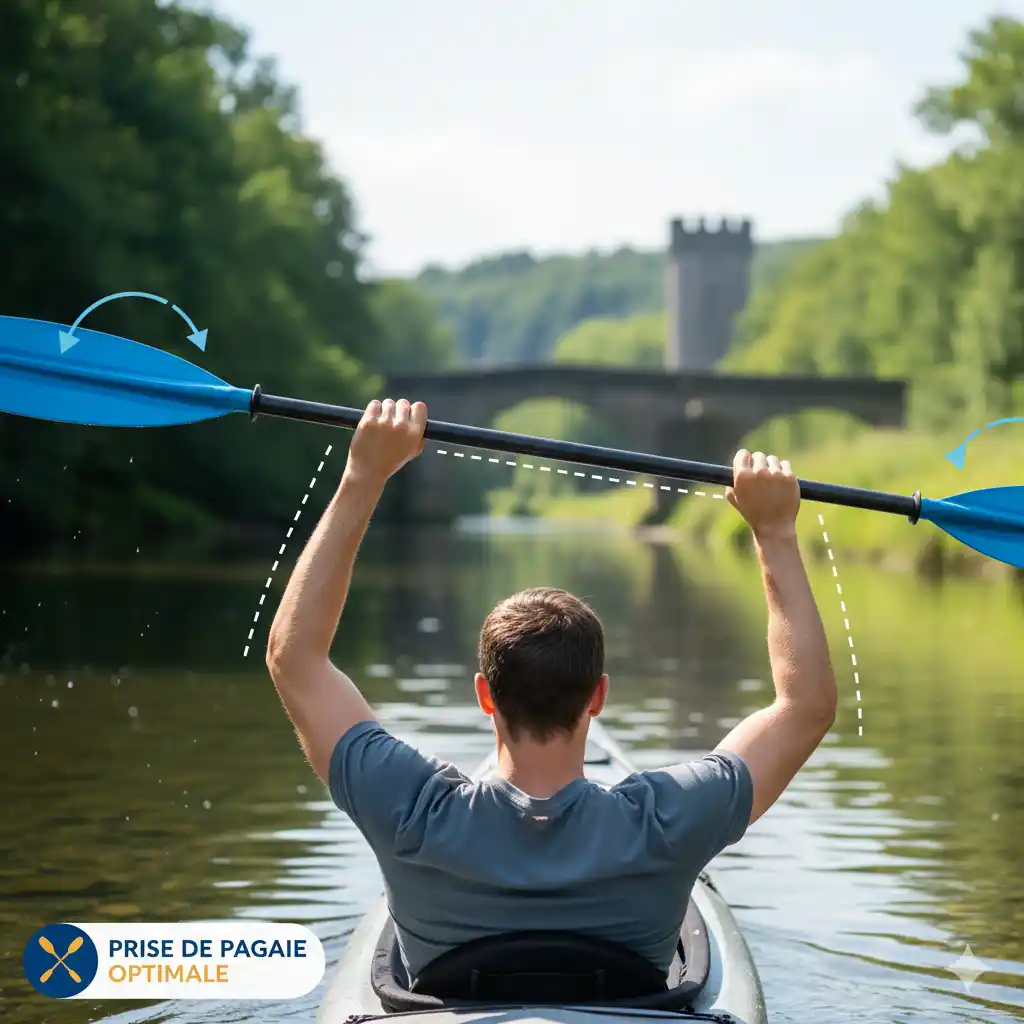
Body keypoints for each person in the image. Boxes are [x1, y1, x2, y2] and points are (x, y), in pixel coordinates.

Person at [266, 397, 837, 983]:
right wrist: (774, 532)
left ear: (485, 696)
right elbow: (806, 706)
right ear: (598, 696)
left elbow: (295, 657)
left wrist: (363, 475)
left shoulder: (412, 808)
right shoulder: (665, 822)